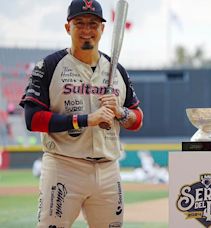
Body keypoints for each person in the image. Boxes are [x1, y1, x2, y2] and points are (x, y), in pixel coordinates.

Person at [19, 0, 143, 227]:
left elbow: (136, 119)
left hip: (108, 168)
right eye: (80, 23)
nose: (87, 30)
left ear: (103, 29)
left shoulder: (117, 71)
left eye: (93, 24)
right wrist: (87, 119)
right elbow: (33, 119)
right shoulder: (49, 65)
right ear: (68, 28)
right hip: (64, 165)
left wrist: (120, 111)